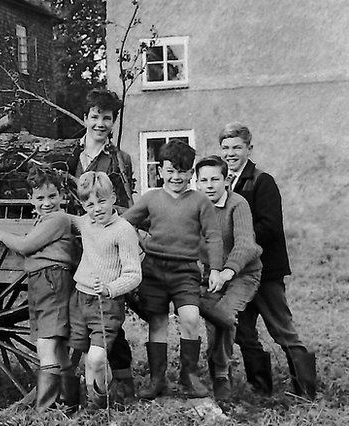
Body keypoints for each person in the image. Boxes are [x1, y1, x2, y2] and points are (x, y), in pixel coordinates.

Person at [220, 123, 316, 399]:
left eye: (237, 147)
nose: (231, 153)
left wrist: (238, 242)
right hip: (239, 273)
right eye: (225, 148)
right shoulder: (222, 181)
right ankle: (260, 389)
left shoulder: (262, 180)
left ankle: (305, 392)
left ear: (249, 148)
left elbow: (270, 226)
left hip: (266, 271)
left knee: (282, 329)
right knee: (243, 332)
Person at [123, 140, 223, 399]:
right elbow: (124, 223)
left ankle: (189, 376)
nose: (176, 177)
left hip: (185, 271)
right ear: (160, 171)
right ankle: (157, 380)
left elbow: (213, 236)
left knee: (190, 318)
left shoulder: (200, 201)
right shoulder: (152, 198)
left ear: (191, 173)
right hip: (154, 269)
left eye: (182, 171)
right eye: (170, 170)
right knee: (157, 321)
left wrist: (215, 269)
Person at [65, 88, 138, 402]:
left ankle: (119, 375)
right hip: (73, 238)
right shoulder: (68, 154)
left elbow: (123, 204)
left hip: (105, 243)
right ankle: (72, 376)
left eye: (106, 118)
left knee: (108, 312)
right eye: (94, 116)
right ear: (85, 118)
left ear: (112, 122)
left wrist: (108, 223)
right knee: (78, 309)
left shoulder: (119, 160)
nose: (99, 123)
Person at [0, 167, 78, 410]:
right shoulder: (44, 220)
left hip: (52, 280)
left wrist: (1, 235)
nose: (47, 203)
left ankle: (47, 407)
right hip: (44, 281)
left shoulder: (58, 219)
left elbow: (26, 245)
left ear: (63, 196)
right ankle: (68, 402)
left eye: (52, 196)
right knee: (58, 346)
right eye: (40, 198)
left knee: (46, 344)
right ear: (30, 199)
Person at [65, 171, 142, 410]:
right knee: (84, 355)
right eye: (89, 204)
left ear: (113, 198)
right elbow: (67, 219)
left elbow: (134, 274)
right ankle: (91, 404)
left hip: (106, 303)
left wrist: (110, 288)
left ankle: (100, 403)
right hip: (80, 299)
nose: (96, 208)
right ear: (82, 205)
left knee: (97, 359)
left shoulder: (123, 230)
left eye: (102, 201)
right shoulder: (85, 222)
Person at [194, 155, 263, 402]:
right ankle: (219, 375)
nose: (210, 185)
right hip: (210, 275)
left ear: (226, 180)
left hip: (241, 274)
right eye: (204, 180)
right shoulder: (196, 205)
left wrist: (227, 272)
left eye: (215, 179)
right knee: (212, 323)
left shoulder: (238, 204)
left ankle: (222, 373)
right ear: (197, 182)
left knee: (224, 315)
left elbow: (246, 244)